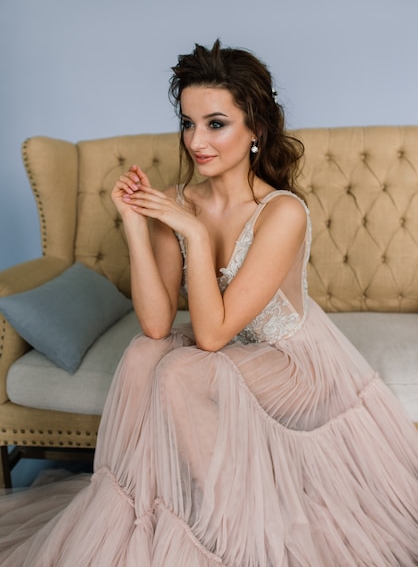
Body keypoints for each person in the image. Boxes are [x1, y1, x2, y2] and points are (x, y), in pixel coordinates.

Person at [0, 40, 417, 566]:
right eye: (188, 122)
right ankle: (163, 511)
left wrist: (195, 236)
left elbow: (212, 336)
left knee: (180, 372)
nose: (197, 140)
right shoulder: (178, 200)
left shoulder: (280, 212)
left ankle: (233, 522)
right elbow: (154, 324)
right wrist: (135, 222)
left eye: (216, 123)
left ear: (255, 130)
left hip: (288, 361)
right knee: (144, 355)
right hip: (226, 352)